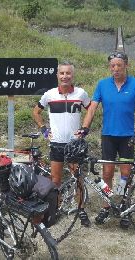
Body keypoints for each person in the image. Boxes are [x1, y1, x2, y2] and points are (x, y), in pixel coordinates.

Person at [81, 51, 135, 229]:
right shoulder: (103, 84)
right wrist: (85, 128)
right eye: (112, 66)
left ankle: (123, 205)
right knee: (107, 174)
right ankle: (107, 204)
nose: (116, 69)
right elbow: (92, 108)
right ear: (109, 67)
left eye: (119, 65)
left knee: (126, 175)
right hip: (108, 136)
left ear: (126, 65)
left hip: (127, 138)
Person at [32, 61, 91, 227]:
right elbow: (36, 111)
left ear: (73, 75)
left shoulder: (81, 94)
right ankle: (55, 209)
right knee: (55, 180)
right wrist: (44, 130)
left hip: (74, 144)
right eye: (62, 73)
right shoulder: (50, 94)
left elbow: (91, 109)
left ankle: (81, 209)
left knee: (77, 178)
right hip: (56, 143)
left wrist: (85, 129)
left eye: (68, 73)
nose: (65, 76)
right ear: (57, 75)